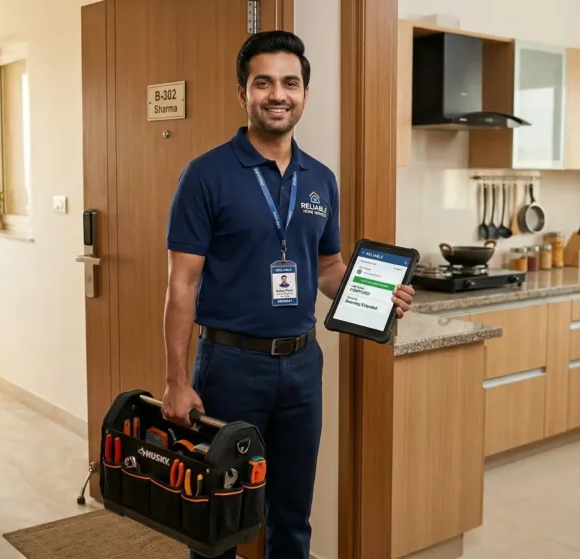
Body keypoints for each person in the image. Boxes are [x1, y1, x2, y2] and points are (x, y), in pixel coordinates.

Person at [162, 30, 415, 559]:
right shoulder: (205, 175)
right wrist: (177, 382)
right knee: (217, 515)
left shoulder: (319, 179)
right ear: (243, 92)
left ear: (304, 94)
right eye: (264, 83)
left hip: (302, 366)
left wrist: (375, 295)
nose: (278, 94)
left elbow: (328, 269)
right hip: (230, 365)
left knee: (293, 513)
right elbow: (181, 283)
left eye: (290, 83)